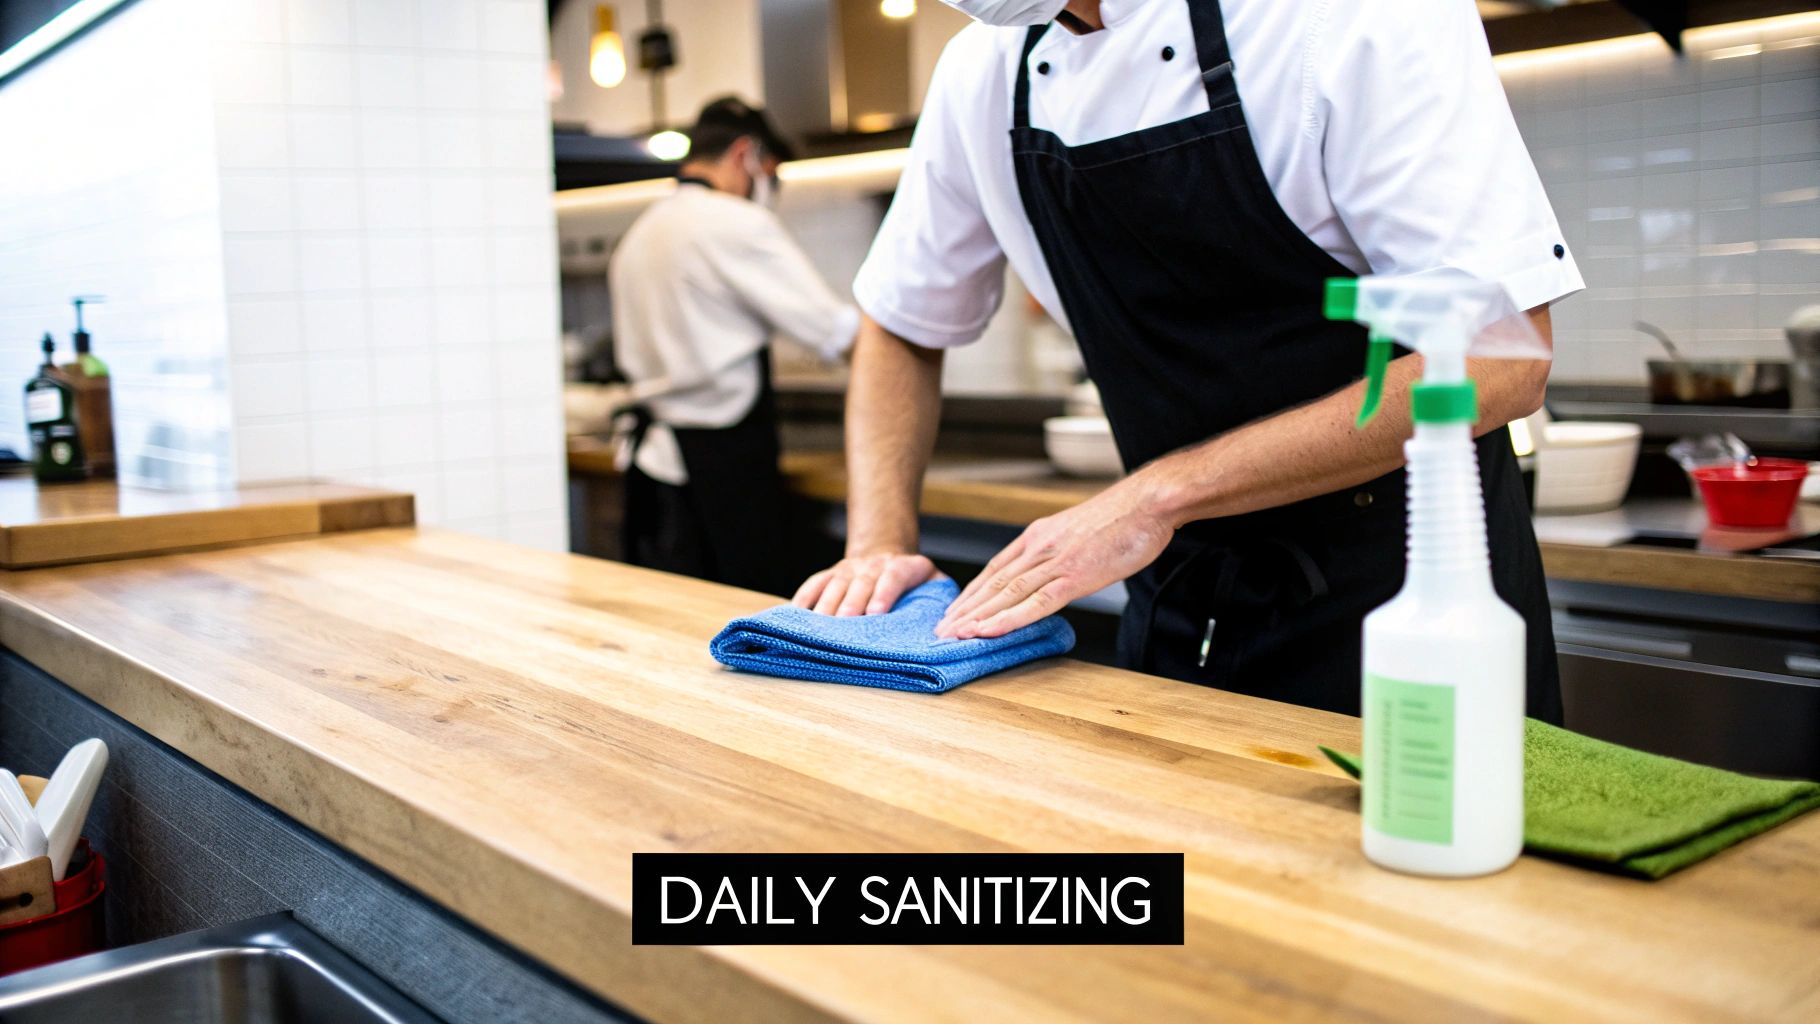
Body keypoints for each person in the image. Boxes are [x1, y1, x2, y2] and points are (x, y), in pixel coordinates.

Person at [792, 0, 1584, 720]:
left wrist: (1158, 497)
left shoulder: (1349, 16)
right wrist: (878, 545)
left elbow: (1501, 360)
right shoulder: (982, 74)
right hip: (1180, 596)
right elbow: (899, 320)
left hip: (1418, 594)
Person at [611, 97, 860, 594]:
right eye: (770, 171)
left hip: (653, 462)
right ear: (745, 154)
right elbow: (834, 330)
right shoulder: (734, 221)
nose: (768, 187)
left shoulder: (642, 229)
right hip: (720, 465)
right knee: (743, 615)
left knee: (679, 619)